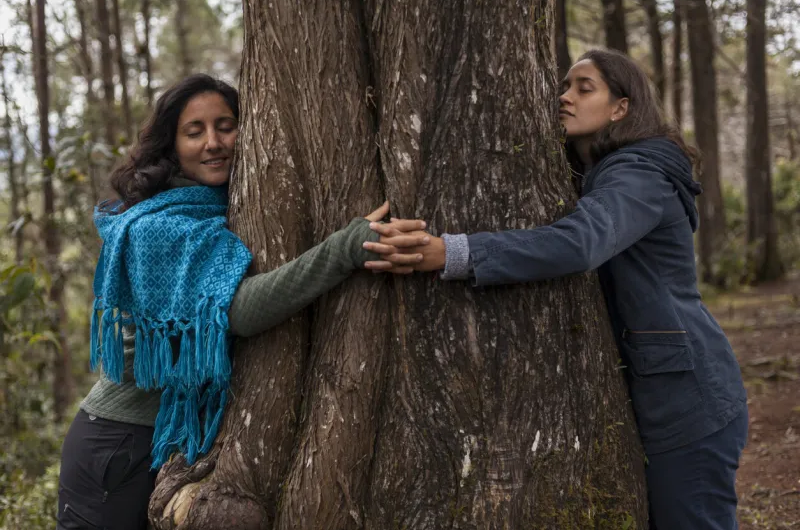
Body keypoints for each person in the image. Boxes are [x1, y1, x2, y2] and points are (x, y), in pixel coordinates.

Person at [365, 49, 748, 529]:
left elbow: (581, 242)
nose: (564, 98)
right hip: (656, 399)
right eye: (563, 88)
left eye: (583, 88)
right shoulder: (596, 175)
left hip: (689, 404)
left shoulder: (641, 174)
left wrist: (453, 252)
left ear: (621, 108)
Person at [56, 74, 427, 530]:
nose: (213, 142)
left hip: (163, 442)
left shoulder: (218, 208)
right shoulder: (158, 227)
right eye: (194, 132)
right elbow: (238, 311)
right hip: (117, 445)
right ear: (171, 145)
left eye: (225, 126)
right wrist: (344, 248)